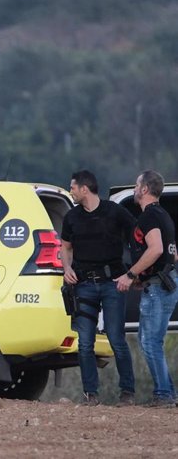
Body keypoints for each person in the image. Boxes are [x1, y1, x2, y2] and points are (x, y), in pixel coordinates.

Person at [60, 170, 136, 407]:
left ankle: (127, 393)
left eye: (73, 187)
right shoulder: (72, 217)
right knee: (84, 342)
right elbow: (65, 247)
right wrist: (66, 268)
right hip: (84, 285)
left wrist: (133, 272)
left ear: (85, 189)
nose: (70, 191)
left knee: (116, 339)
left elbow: (139, 238)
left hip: (112, 283)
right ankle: (90, 394)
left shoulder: (115, 212)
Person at [115, 170, 178, 408]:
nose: (134, 188)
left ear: (143, 189)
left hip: (159, 288)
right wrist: (146, 275)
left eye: (136, 184)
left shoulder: (149, 217)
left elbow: (156, 249)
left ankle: (164, 394)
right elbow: (173, 253)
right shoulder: (163, 215)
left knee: (150, 342)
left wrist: (131, 275)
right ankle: (167, 392)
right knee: (149, 340)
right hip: (164, 283)